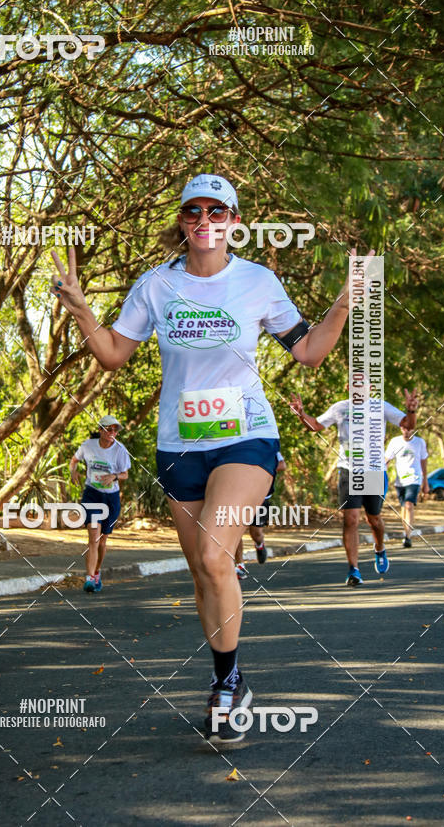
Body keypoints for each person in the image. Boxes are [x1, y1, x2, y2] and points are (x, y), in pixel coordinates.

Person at [51, 172, 363, 743]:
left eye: (217, 213)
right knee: (201, 569)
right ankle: (230, 678)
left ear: (234, 223)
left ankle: (226, 684)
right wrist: (79, 309)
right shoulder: (154, 286)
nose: (205, 222)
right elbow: (114, 354)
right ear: (183, 221)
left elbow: (311, 353)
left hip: (246, 437)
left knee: (218, 558)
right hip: (179, 446)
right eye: (194, 212)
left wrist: (342, 306)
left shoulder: (258, 282)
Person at [289, 387, 418, 586]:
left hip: (374, 470)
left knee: (373, 519)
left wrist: (411, 411)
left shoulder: (380, 407)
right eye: (354, 382)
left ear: (369, 387)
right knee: (350, 520)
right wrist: (301, 414)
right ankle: (354, 570)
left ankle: (380, 548)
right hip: (349, 470)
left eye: (362, 382)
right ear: (348, 388)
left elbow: (408, 424)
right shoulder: (340, 408)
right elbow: (315, 425)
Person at [70, 415, 131, 593]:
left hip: (110, 498)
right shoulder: (88, 445)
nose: (113, 433)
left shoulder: (120, 450)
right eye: (109, 429)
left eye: (115, 430)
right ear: (100, 430)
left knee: (103, 541)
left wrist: (114, 476)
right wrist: (73, 471)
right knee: (93, 537)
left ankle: (96, 572)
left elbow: (125, 474)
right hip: (92, 495)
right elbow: (74, 460)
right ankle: (88, 579)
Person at [234, 452, 286, 577]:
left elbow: (282, 465)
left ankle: (259, 544)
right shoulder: (234, 444)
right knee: (236, 530)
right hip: (238, 494)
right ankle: (240, 566)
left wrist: (258, 468)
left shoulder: (266, 443)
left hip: (261, 496)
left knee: (256, 533)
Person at [385, 425, 429, 548]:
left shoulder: (420, 442)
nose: (407, 431)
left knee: (409, 505)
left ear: (413, 429)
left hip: (414, 479)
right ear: (401, 428)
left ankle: (407, 537)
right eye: (404, 428)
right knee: (404, 508)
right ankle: (406, 532)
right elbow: (386, 460)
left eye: (409, 428)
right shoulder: (395, 441)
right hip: (400, 481)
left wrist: (425, 481)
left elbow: (423, 461)